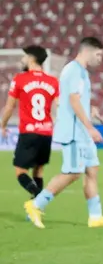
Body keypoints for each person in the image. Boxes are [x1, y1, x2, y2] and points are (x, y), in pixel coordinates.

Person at [23, 37, 103, 230]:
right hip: (75, 132)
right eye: (99, 54)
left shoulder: (81, 72)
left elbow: (77, 100)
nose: (101, 59)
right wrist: (90, 127)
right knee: (73, 173)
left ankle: (95, 216)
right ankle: (35, 205)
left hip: (82, 131)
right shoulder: (74, 70)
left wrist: (91, 111)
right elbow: (73, 101)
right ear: (88, 51)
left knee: (92, 170)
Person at [0, 46, 58, 202]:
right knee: (38, 171)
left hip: (29, 132)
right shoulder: (52, 81)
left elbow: (10, 106)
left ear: (32, 58)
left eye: (25, 56)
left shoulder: (20, 79)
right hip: (46, 132)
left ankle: (39, 198)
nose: (22, 59)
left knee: (20, 171)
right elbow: (59, 106)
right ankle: (36, 209)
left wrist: (2, 125)